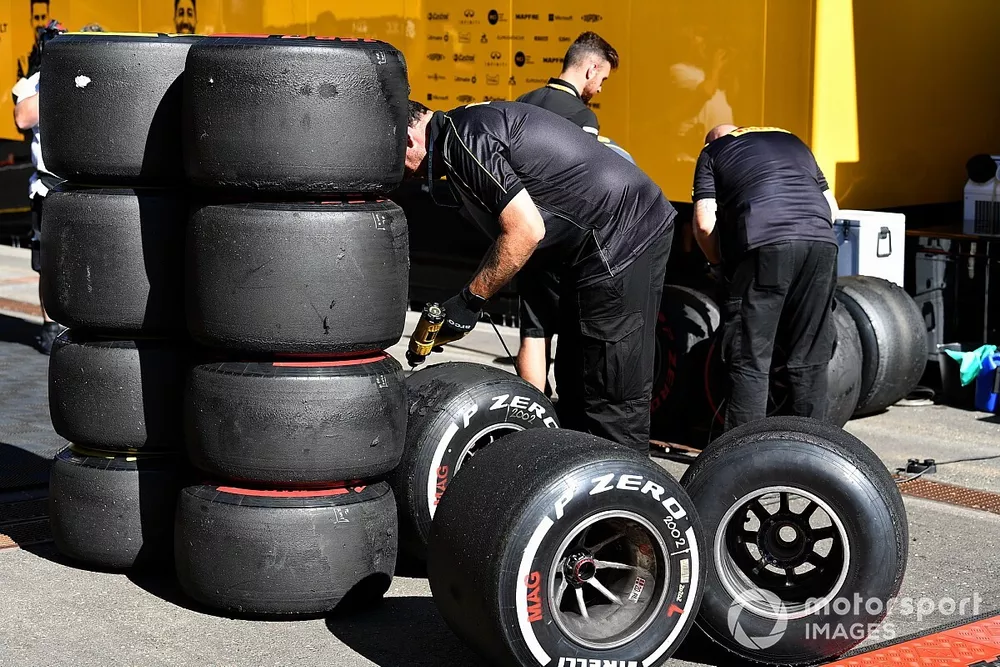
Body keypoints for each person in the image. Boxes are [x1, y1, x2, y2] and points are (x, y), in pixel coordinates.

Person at [404, 99, 677, 452]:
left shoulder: (463, 139)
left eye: (398, 162)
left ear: (410, 139)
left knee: (610, 397)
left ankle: (628, 498)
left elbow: (525, 230)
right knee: (575, 382)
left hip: (623, 236)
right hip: (591, 246)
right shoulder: (465, 129)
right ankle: (581, 489)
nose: (403, 174)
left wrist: (469, 302)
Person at [691, 124, 840, 431]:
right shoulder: (793, 141)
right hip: (822, 245)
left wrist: (719, 263)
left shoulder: (712, 152)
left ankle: (746, 453)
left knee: (749, 357)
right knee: (810, 354)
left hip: (766, 244)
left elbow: (705, 225)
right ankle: (813, 451)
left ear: (713, 140)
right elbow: (832, 208)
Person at [512, 31, 619, 393]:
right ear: (590, 69)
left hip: (522, 229)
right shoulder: (582, 117)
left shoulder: (524, 102)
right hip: (565, 236)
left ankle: (531, 412)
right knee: (572, 328)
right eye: (602, 79)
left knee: (534, 328)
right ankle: (567, 419)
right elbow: (585, 184)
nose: (600, 88)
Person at [12, 20, 104, 354]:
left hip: (88, 186)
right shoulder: (34, 83)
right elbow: (23, 118)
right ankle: (49, 325)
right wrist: (57, 76)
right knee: (48, 264)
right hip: (48, 189)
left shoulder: (95, 78)